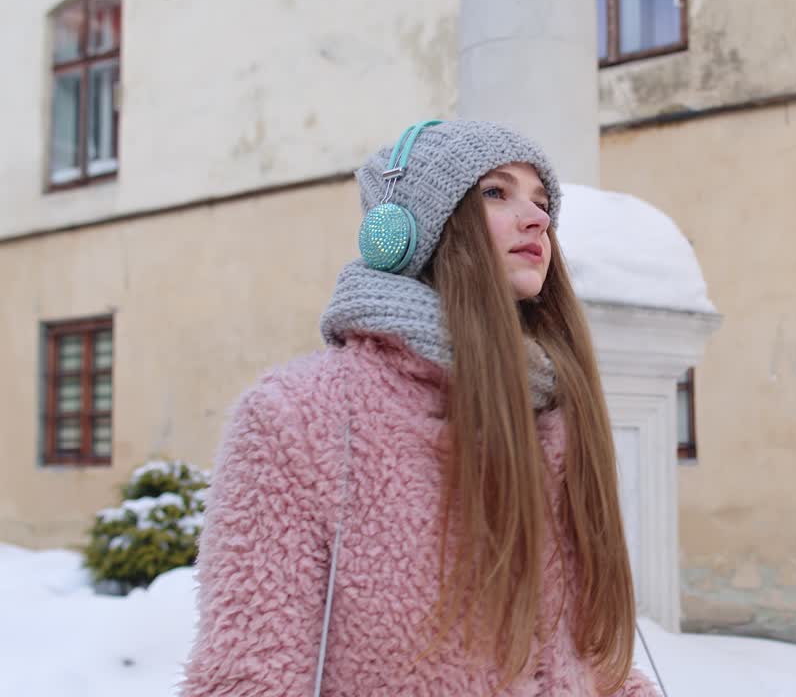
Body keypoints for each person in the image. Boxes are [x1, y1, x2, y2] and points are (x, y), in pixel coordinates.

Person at [181, 120, 660, 696]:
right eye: (495, 193)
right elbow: (247, 680)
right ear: (406, 232)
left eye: (541, 203)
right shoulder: (298, 420)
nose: (538, 219)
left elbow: (589, 660)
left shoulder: (554, 411)